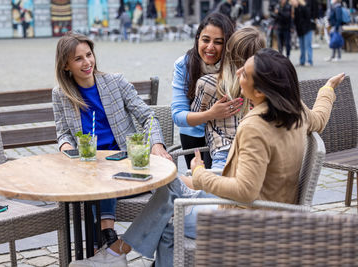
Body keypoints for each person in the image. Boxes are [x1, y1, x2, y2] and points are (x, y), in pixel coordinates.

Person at [69, 48, 345, 267]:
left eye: (244, 74)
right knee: (173, 187)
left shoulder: (255, 127)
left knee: (170, 220)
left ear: (260, 91)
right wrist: (327, 90)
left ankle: (117, 253)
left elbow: (245, 192)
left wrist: (200, 176)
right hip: (272, 210)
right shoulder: (294, 110)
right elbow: (319, 118)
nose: (237, 72)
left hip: (249, 223)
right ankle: (118, 254)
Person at [52, 31, 172, 257]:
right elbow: (63, 133)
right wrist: (66, 148)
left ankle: (107, 238)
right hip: (88, 167)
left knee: (109, 174)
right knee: (99, 173)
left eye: (89, 55)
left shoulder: (115, 82)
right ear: (66, 65)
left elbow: (148, 117)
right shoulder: (60, 94)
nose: (87, 62)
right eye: (78, 59)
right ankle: (108, 241)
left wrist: (156, 145)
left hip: (123, 162)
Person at [171, 12, 241, 169]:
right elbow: (177, 116)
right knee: (201, 183)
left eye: (218, 42)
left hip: (227, 136)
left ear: (228, 44)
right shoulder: (184, 65)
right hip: (194, 136)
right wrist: (211, 114)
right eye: (205, 40)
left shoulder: (235, 65)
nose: (210, 47)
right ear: (197, 39)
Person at [190, 26, 266, 170]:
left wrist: (210, 114)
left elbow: (195, 118)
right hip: (257, 153)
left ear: (228, 52)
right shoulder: (265, 88)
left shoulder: (207, 83)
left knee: (186, 186)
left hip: (223, 154)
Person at [290, 0, 318, 66]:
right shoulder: (295, 9)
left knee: (308, 45)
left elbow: (308, 18)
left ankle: (310, 61)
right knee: (301, 46)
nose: (292, 3)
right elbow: (295, 21)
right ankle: (302, 61)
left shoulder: (303, 7)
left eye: (293, 1)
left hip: (307, 29)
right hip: (300, 30)